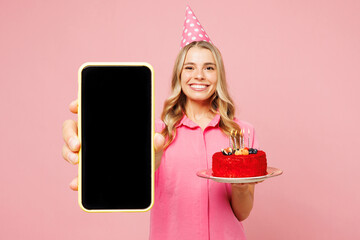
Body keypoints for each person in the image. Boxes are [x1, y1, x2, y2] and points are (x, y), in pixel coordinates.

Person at [62, 6, 261, 240]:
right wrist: (94, 140)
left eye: (209, 67)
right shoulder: (155, 134)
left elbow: (243, 212)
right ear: (179, 75)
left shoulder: (240, 133)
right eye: (190, 67)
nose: (199, 75)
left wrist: (239, 184)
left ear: (219, 76)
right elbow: (123, 176)